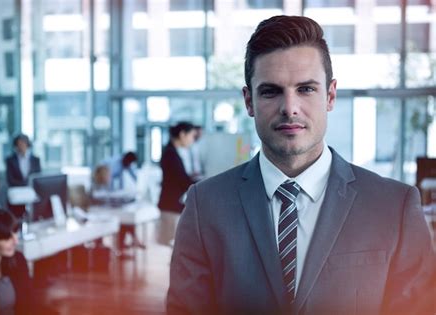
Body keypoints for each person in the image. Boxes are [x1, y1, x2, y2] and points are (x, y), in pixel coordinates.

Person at [167, 15, 435, 315]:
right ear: (249, 101)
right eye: (271, 91)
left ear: (330, 95)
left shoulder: (394, 207)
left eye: (306, 89)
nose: (290, 108)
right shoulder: (205, 207)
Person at [157, 121, 197, 246]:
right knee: (172, 244)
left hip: (171, 204)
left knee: (173, 245)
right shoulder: (170, 154)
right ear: (182, 134)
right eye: (192, 136)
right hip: (170, 206)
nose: (192, 140)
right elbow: (182, 180)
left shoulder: (171, 151)